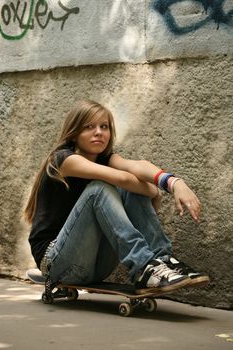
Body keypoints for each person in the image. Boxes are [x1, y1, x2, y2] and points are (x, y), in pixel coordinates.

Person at [24, 99, 209, 294]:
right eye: (89, 127)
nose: (99, 132)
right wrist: (153, 191)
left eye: (104, 127)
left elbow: (138, 165)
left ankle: (161, 261)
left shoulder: (106, 158)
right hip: (56, 263)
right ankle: (143, 266)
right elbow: (122, 177)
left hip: (96, 266)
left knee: (131, 186)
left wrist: (175, 182)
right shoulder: (62, 159)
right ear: (74, 133)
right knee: (100, 189)